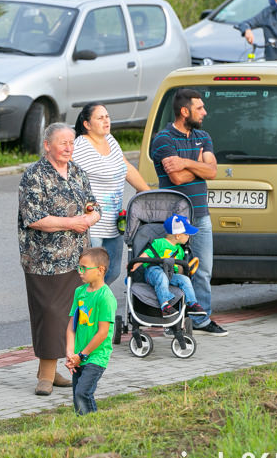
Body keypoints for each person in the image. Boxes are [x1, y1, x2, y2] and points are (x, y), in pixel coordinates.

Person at [17, 122, 100, 397]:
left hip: (77, 256)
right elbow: (35, 218)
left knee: (70, 316)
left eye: (71, 143)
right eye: (62, 142)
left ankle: (50, 371)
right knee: (49, 315)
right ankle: (46, 374)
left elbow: (94, 206)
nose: (68, 147)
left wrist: (89, 218)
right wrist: (73, 222)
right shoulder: (34, 175)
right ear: (47, 145)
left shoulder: (78, 172)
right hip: (44, 259)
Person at [150, 88, 227, 336]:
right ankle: (174, 322)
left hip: (201, 215)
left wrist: (185, 162)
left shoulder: (203, 136)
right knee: (175, 270)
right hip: (175, 220)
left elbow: (213, 172)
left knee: (203, 270)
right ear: (185, 111)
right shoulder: (163, 139)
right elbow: (177, 178)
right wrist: (198, 165)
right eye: (199, 108)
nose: (204, 112)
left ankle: (202, 319)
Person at [72, 102, 149, 284]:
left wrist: (148, 192)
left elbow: (126, 167)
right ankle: (86, 311)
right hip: (92, 224)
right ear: (87, 124)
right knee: (90, 274)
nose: (106, 121)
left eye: (107, 116)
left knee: (112, 271)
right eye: (100, 118)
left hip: (115, 221)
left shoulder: (111, 141)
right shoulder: (80, 147)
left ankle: (96, 304)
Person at [65, 247, 116, 415]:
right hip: (79, 356)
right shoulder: (79, 292)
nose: (80, 272)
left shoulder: (105, 297)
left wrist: (82, 355)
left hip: (96, 356)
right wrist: (71, 353)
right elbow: (72, 326)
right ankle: (84, 428)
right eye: (79, 267)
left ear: (100, 270)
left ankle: (93, 425)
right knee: (76, 396)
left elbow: (102, 333)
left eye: (84, 268)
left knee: (83, 393)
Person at [130, 214, 208, 317]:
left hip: (170, 274)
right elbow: (146, 255)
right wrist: (133, 266)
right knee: (161, 276)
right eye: (187, 234)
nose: (189, 236)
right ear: (178, 235)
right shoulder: (160, 243)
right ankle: (165, 306)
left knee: (185, 280)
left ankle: (192, 304)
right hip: (153, 273)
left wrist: (183, 271)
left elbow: (179, 270)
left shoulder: (180, 250)